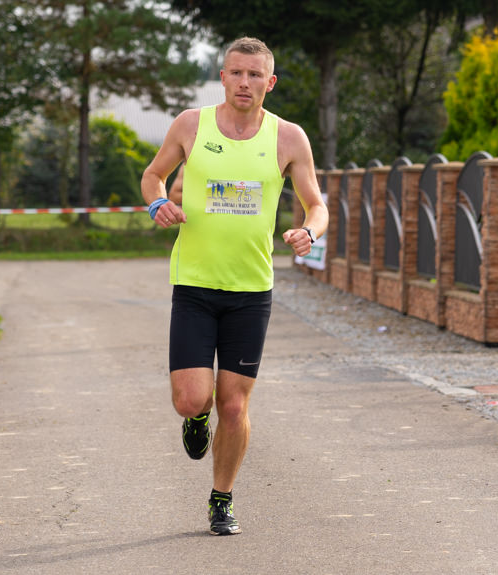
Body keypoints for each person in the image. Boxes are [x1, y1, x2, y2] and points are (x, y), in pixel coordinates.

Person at [140, 37, 328, 536]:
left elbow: (318, 203)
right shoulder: (190, 125)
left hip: (250, 292)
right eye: (235, 73)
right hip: (195, 286)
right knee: (191, 399)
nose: (244, 83)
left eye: (255, 75)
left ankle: (221, 498)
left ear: (270, 83)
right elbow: (153, 175)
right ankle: (194, 419)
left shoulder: (288, 138)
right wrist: (158, 204)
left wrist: (308, 231)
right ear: (222, 77)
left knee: (235, 404)